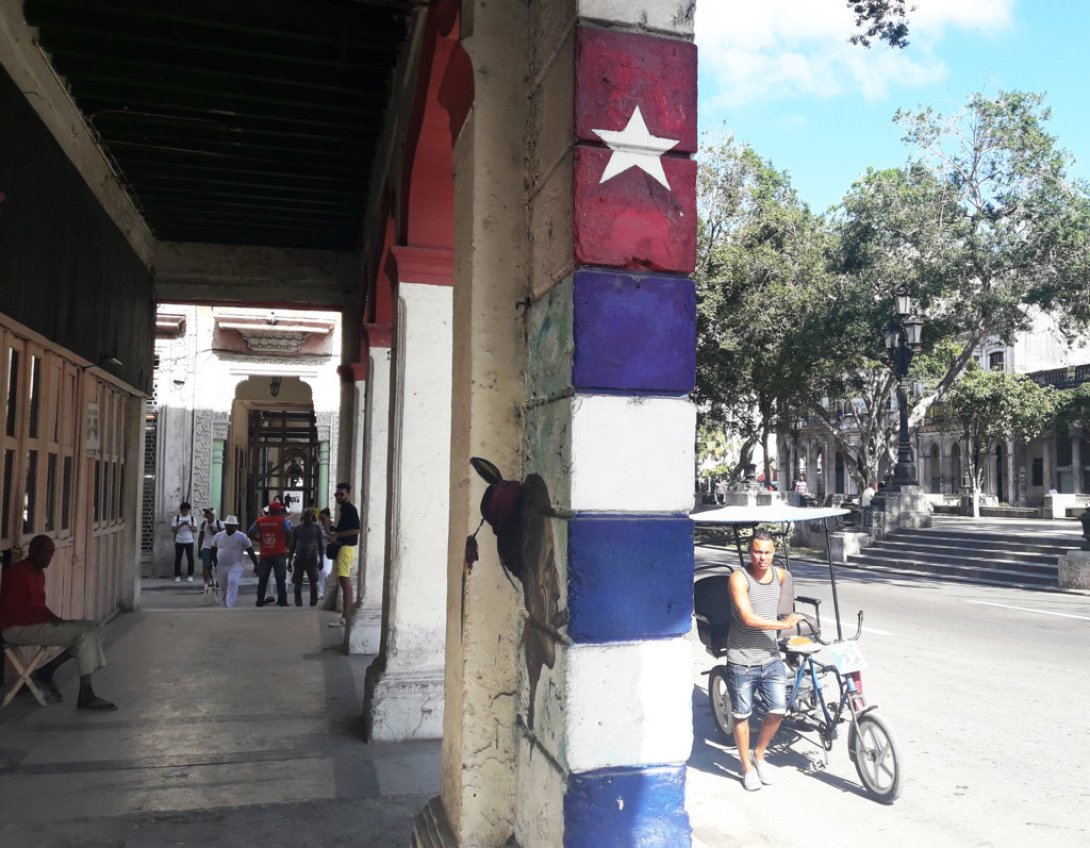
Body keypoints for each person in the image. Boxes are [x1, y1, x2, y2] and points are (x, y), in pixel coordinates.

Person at [726, 531, 804, 792]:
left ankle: (759, 755)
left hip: (770, 656)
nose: (762, 557)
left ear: (774, 552)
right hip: (742, 659)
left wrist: (790, 621)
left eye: (768, 552)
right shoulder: (739, 578)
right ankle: (746, 768)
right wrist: (783, 624)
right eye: (758, 552)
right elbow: (748, 618)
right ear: (750, 552)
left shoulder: (779, 575)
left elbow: (782, 607)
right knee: (742, 715)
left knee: (779, 709)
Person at [0, 535, 116, 710]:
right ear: (32, 551)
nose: (48, 556)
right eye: (43, 552)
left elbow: (39, 607)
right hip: (15, 628)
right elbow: (14, 611)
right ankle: (86, 693)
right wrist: (49, 622)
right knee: (85, 633)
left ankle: (48, 670)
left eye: (51, 552)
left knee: (96, 627)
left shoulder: (38, 573)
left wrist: (56, 620)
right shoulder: (17, 573)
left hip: (34, 624)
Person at [327, 483, 361, 627]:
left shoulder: (350, 509)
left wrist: (338, 534)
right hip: (344, 547)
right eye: (337, 495)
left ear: (348, 494)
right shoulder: (345, 509)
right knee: (343, 580)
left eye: (341, 494)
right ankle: (345, 616)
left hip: (346, 548)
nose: (338, 497)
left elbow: (356, 530)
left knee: (345, 581)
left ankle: (346, 617)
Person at [248, 501, 293, 607]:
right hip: (279, 553)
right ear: (278, 510)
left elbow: (250, 533)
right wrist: (285, 544)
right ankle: (282, 600)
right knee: (280, 579)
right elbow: (289, 533)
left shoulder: (260, 521)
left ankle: (260, 600)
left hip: (265, 553)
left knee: (263, 579)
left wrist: (259, 540)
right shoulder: (282, 521)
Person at [211, 516, 259, 609]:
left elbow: (250, 551)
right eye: (228, 525)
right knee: (223, 586)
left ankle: (229, 605)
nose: (229, 527)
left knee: (232, 581)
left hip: (236, 564)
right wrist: (211, 562)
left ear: (235, 526)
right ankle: (224, 604)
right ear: (225, 525)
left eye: (231, 525)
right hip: (221, 565)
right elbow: (213, 550)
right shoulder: (218, 536)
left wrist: (256, 564)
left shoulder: (242, 536)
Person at [289, 508, 325, 607]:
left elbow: (320, 545)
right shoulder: (298, 528)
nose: (307, 518)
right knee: (298, 582)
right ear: (303, 517)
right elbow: (292, 545)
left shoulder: (316, 528)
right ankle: (298, 602)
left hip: (311, 558)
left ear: (311, 517)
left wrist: (321, 560)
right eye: (306, 516)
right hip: (300, 558)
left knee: (313, 581)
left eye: (309, 516)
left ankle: (313, 601)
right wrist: (289, 561)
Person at [197, 508, 224, 594]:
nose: (205, 514)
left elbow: (222, 536)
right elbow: (201, 537)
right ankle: (206, 585)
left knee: (218, 567)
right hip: (206, 548)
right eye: (205, 512)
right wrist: (199, 549)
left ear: (212, 515)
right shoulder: (203, 524)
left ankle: (218, 584)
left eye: (207, 513)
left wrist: (213, 529)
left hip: (217, 548)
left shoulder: (219, 523)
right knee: (206, 567)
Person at [171, 501, 197, 583]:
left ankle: (190, 575)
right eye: (184, 510)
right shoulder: (176, 518)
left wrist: (188, 525)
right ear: (181, 510)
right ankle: (177, 575)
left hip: (189, 541)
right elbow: (173, 530)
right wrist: (181, 525)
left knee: (190, 558)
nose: (185, 512)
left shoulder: (192, 518)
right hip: (179, 540)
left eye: (187, 510)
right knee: (178, 558)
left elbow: (195, 530)